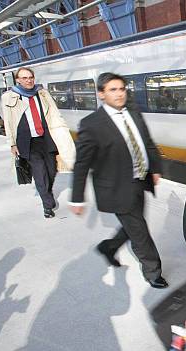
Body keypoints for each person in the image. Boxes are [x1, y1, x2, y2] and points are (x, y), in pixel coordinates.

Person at [69, 73, 168, 289]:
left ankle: (109, 247)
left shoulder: (133, 111)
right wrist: (77, 198)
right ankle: (153, 271)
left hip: (139, 179)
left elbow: (147, 142)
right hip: (115, 186)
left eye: (122, 89)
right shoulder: (91, 124)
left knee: (134, 224)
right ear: (101, 94)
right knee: (139, 230)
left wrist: (156, 168)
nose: (119, 93)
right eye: (113, 90)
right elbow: (81, 164)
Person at [2, 67, 73, 218]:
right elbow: (8, 122)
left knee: (51, 170)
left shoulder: (42, 93)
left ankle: (47, 192)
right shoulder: (9, 97)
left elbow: (54, 113)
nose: (28, 80)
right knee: (40, 173)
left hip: (46, 138)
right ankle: (47, 205)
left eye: (30, 77)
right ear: (18, 80)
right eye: (24, 78)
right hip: (27, 141)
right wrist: (12, 143)